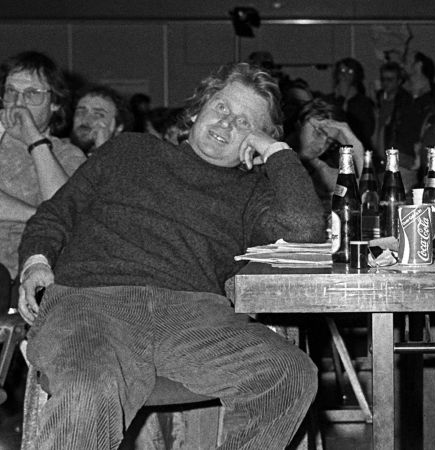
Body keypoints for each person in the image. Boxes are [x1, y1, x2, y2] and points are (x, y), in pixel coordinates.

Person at [16, 62, 323, 449]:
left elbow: (306, 230)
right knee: (87, 389)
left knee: (289, 374)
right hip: (92, 301)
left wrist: (277, 152)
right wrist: (37, 262)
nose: (227, 124)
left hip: (193, 316)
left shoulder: (253, 194)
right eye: (223, 107)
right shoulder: (129, 150)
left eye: (246, 123)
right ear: (198, 109)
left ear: (257, 140)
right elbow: (56, 214)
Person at [0, 51, 86, 282]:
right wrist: (39, 217)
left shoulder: (68, 155)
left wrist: (33, 139)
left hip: (39, 271)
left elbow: (66, 211)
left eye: (31, 94)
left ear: (55, 102)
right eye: (11, 92)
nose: (18, 104)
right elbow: (54, 218)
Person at [324, 58, 375, 151]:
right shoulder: (328, 100)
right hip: (332, 152)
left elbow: (366, 131)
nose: (345, 75)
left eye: (350, 71)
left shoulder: (363, 102)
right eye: (342, 71)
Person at [69, 84, 132, 155]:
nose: (85, 120)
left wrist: (103, 150)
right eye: (81, 112)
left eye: (98, 114)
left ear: (119, 127)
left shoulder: (129, 159)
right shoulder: (58, 150)